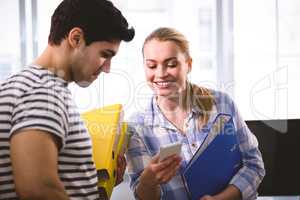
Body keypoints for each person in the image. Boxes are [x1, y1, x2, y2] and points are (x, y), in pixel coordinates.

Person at [0, 0, 134, 199]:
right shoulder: (43, 93)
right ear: (76, 38)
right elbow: (37, 190)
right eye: (105, 54)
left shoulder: (24, 84)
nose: (107, 68)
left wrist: (93, 185)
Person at [126, 27, 265, 200]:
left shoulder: (221, 104)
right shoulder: (136, 127)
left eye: (171, 64)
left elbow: (254, 165)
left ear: (188, 65)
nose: (160, 74)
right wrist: (148, 182)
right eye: (151, 65)